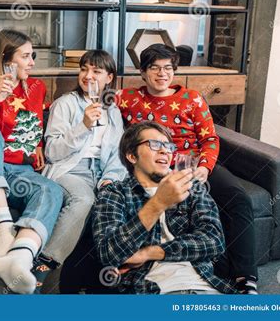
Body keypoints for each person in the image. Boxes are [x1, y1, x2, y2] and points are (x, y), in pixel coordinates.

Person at [118, 43, 257, 294]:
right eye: (155, 68)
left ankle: (245, 278)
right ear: (142, 71)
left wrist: (205, 167)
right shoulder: (128, 98)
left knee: (239, 199)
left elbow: (210, 139)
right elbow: (95, 108)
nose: (162, 73)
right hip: (158, 169)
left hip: (195, 164)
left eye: (168, 68)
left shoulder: (191, 98)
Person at [0, 29, 63, 294]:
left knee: (50, 189)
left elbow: (34, 123)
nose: (31, 62)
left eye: (32, 56)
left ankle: (20, 255)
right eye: (26, 56)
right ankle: (3, 230)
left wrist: (37, 145)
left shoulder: (37, 88)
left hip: (18, 170)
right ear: (7, 60)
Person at [92, 121, 237, 294]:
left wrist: (148, 252)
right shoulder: (115, 193)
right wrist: (158, 203)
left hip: (206, 287)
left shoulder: (192, 188)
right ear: (132, 155)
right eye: (154, 144)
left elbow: (214, 241)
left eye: (168, 146)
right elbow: (110, 254)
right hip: (155, 290)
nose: (164, 151)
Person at [34, 50, 126, 290]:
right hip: (71, 170)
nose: (88, 76)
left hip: (100, 173)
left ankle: (101, 284)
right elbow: (52, 151)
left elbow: (118, 153)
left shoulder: (112, 110)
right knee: (84, 201)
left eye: (96, 71)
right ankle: (44, 264)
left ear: (109, 77)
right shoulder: (65, 103)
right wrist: (83, 126)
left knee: (113, 208)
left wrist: (109, 179)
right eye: (84, 69)